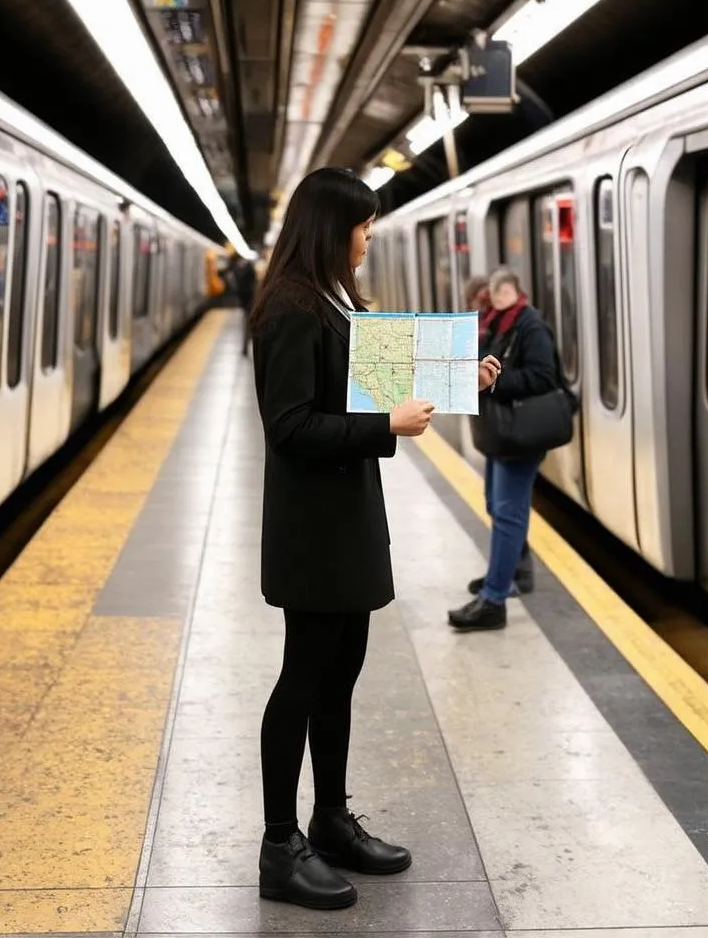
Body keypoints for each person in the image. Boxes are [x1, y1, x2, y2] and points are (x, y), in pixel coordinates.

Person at [249, 167, 499, 910]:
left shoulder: (333, 298)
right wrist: (384, 427)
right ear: (334, 228)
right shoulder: (290, 309)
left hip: (346, 512)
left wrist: (461, 380)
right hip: (312, 526)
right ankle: (278, 845)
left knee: (341, 671)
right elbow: (289, 426)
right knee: (304, 675)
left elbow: (374, 379)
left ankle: (329, 819)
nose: (368, 239)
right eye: (362, 226)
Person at [450, 267, 557, 632]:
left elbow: (544, 376)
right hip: (501, 434)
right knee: (497, 506)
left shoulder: (529, 326)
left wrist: (494, 382)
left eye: (497, 297)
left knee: (508, 512)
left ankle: (494, 600)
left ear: (511, 291)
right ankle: (515, 572)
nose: (490, 306)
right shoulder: (498, 322)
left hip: (521, 434)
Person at [226, 252, 258, 354]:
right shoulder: (250, 273)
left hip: (247, 303)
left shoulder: (240, 272)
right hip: (252, 303)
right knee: (251, 327)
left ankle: (245, 348)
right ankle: (246, 348)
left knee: (248, 326)